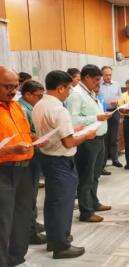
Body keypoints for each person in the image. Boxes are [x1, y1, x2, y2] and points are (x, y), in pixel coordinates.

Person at [33, 70, 97, 259]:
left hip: (47, 157)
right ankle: (61, 246)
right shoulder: (59, 109)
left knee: (52, 202)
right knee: (63, 203)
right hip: (61, 161)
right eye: (68, 88)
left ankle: (54, 239)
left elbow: (54, 130)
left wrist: (73, 129)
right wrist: (86, 134)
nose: (70, 91)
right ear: (60, 88)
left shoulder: (40, 104)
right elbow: (68, 142)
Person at [66, 64, 112, 223]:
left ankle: (94, 202)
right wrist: (96, 118)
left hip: (99, 139)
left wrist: (101, 115)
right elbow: (73, 120)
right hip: (87, 141)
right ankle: (86, 211)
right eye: (97, 80)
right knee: (86, 177)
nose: (99, 83)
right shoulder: (76, 95)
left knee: (95, 175)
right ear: (86, 78)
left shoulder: (90, 92)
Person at [0, 66, 35, 267]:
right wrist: (9, 150)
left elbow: (24, 133)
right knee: (3, 222)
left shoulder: (15, 106)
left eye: (16, 86)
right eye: (7, 86)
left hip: (24, 169)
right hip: (3, 172)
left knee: (22, 216)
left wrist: (37, 140)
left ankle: (16, 259)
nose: (13, 91)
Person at [18, 80, 46, 245]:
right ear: (27, 94)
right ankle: (30, 232)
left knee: (32, 193)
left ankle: (31, 224)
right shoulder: (22, 108)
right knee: (28, 195)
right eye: (38, 96)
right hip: (28, 156)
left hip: (33, 154)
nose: (40, 99)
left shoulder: (30, 107)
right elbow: (28, 134)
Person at [99, 66, 123, 168]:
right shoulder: (98, 85)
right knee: (104, 138)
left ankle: (115, 159)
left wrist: (117, 102)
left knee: (114, 138)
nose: (108, 77)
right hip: (103, 113)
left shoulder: (116, 84)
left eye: (110, 75)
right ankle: (102, 163)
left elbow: (121, 98)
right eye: (106, 75)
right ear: (102, 75)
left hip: (114, 112)